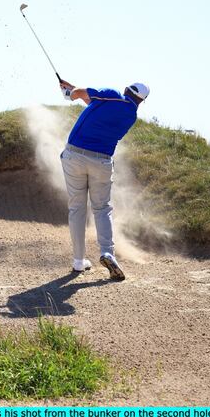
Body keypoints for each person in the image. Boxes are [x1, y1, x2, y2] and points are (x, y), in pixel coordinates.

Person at [57, 78, 149, 280]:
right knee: (102, 208)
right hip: (102, 162)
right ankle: (108, 252)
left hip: (75, 157)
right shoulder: (130, 115)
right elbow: (93, 102)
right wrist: (72, 88)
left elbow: (84, 94)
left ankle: (79, 261)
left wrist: (70, 94)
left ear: (126, 89)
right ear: (141, 101)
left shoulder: (113, 94)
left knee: (77, 208)